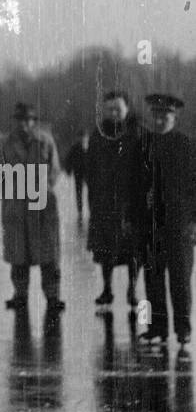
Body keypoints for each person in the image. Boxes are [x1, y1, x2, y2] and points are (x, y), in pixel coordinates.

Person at [137, 93, 196, 353]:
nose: (160, 120)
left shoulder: (187, 146)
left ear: (175, 116)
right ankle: (157, 329)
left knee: (181, 280)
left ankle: (183, 331)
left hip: (180, 224)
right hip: (151, 224)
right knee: (153, 279)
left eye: (166, 116)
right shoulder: (144, 145)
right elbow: (133, 184)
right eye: (156, 116)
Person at [0, 103, 63, 314]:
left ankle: (53, 297)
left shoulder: (45, 141)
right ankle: (20, 295)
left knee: (49, 256)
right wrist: (11, 191)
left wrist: (42, 188)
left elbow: (55, 170)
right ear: (13, 121)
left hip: (42, 206)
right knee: (18, 256)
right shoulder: (4, 144)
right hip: (16, 207)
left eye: (28, 120)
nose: (24, 125)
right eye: (20, 120)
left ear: (34, 122)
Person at [84, 91, 145, 309]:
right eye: (110, 108)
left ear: (127, 108)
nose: (114, 112)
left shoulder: (137, 133)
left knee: (133, 250)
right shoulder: (98, 135)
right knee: (105, 249)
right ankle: (107, 289)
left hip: (130, 200)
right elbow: (89, 168)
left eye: (118, 108)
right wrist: (92, 199)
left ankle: (132, 290)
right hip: (104, 201)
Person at [63, 127, 90, 224]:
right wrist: (68, 170)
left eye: (84, 137)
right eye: (81, 137)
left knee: (91, 192)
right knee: (78, 192)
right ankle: (80, 211)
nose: (83, 139)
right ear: (78, 138)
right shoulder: (75, 148)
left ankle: (91, 209)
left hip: (88, 173)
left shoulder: (90, 147)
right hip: (78, 172)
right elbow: (68, 160)